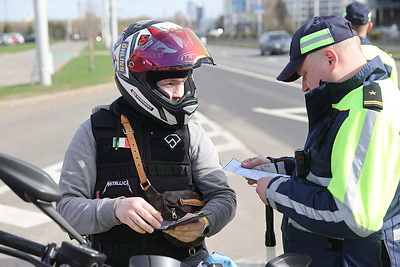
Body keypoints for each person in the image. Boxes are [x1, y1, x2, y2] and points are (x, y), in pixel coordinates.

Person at [56, 20, 237, 267]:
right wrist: (115, 209)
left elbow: (223, 196)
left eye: (183, 83)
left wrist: (205, 222)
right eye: (170, 84)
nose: (178, 93)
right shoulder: (94, 131)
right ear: (138, 84)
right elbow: (66, 208)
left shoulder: (191, 132)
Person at [242, 15, 400, 266]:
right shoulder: (353, 99)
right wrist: (278, 168)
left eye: (304, 74)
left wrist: (275, 191)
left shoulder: (365, 112)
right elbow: (334, 171)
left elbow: (352, 216)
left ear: (330, 58)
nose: (304, 86)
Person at [344, 1, 398, 86]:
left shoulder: (333, 56)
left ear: (344, 25)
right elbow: (393, 94)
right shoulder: (386, 59)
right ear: (369, 26)